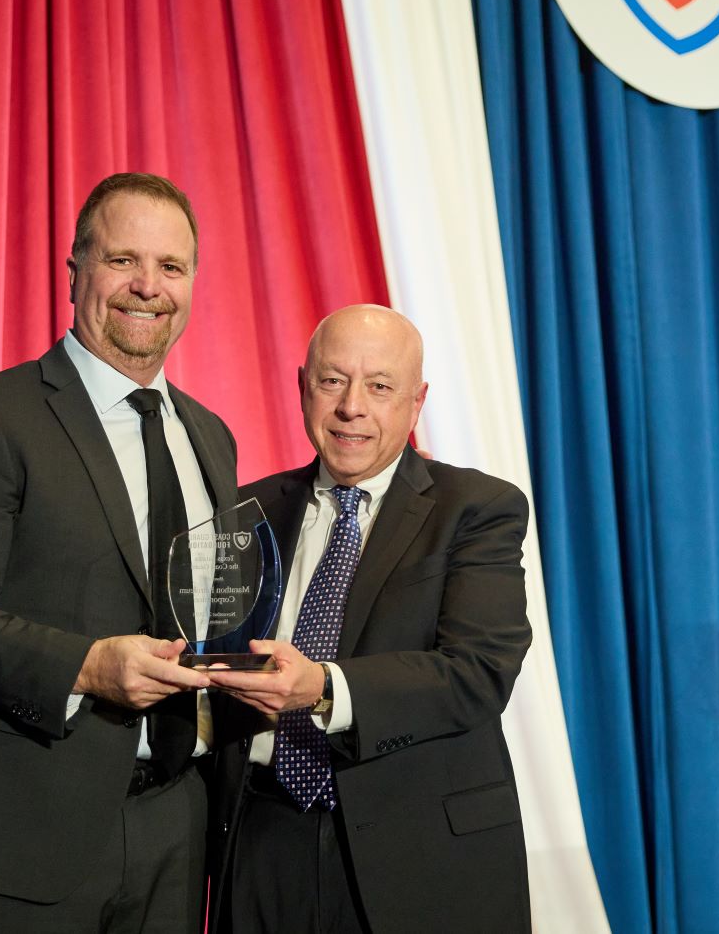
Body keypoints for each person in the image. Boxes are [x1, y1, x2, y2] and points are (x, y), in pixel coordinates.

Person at [0, 173, 238, 932]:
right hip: (19, 830)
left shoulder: (210, 434)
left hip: (175, 828)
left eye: (171, 267)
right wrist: (86, 667)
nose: (148, 286)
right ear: (75, 270)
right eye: (122, 260)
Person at [206, 304, 532, 933]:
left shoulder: (477, 508)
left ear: (417, 402)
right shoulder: (246, 511)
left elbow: (479, 671)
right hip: (262, 843)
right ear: (304, 386)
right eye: (332, 381)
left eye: (380, 386)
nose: (352, 406)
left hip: (416, 855)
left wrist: (326, 687)